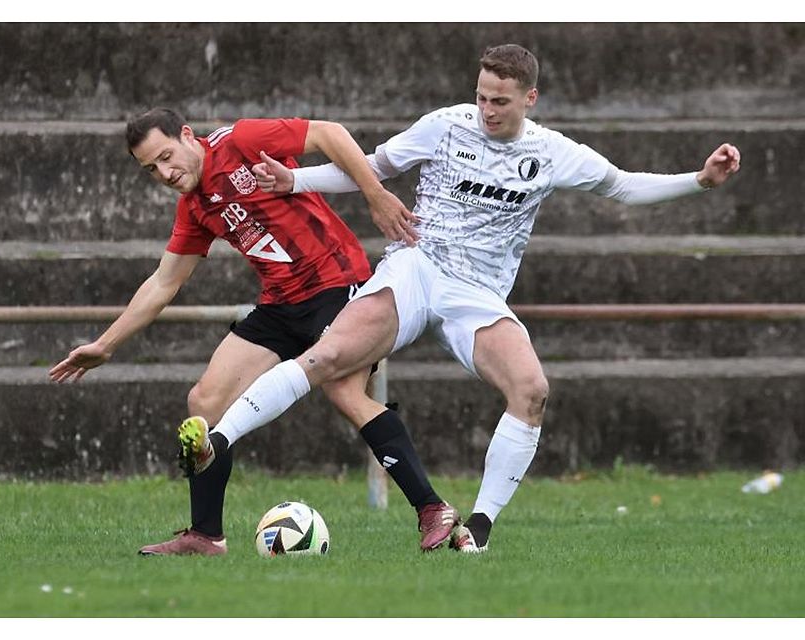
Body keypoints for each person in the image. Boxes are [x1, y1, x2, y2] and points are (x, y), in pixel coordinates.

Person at [178, 44, 742, 553]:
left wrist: (699, 180)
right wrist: (296, 182)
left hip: (477, 294)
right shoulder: (446, 127)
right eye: (481, 97)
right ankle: (217, 439)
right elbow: (372, 167)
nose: (488, 110)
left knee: (532, 390)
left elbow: (621, 184)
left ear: (529, 98)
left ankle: (479, 529)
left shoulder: (551, 153)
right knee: (325, 358)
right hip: (418, 266)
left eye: (500, 100)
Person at [48, 107, 460, 556]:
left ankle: (431, 509)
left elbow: (328, 133)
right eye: (151, 168)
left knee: (345, 394)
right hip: (281, 303)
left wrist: (374, 193)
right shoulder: (194, 208)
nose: (165, 172)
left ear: (188, 136)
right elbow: (164, 282)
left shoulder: (240, 142)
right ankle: (206, 536)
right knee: (204, 401)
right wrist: (105, 345)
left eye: (167, 156)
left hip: (337, 285)